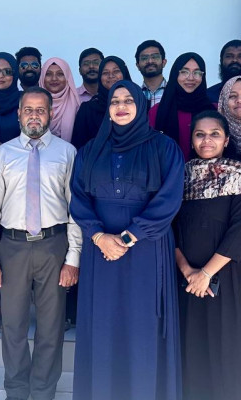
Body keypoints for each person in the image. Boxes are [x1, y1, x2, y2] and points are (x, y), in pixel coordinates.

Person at [70, 81, 184, 399]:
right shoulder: (90, 151)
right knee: (103, 324)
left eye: (128, 100)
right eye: (115, 101)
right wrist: (99, 236)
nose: (121, 106)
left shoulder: (164, 148)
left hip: (147, 249)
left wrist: (128, 236)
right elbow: (78, 199)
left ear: (140, 105)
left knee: (143, 325)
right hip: (100, 251)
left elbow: (169, 199)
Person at [0, 87, 81, 400]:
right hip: (12, 247)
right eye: (29, 109)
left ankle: (42, 392)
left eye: (41, 110)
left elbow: (75, 208)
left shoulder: (67, 152)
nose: (35, 115)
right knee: (13, 325)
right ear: (19, 113)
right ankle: (16, 390)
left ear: (50, 114)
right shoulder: (5, 153)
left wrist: (73, 258)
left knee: (51, 327)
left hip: (54, 245)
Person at [175, 110, 241, 400]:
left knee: (226, 351)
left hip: (227, 281)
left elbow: (240, 231)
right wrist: (189, 271)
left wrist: (205, 274)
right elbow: (171, 229)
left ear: (226, 139)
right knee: (193, 350)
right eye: (200, 134)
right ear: (191, 139)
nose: (207, 140)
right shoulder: (182, 175)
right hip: (187, 282)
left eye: (214, 134)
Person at [150, 52, 215, 158]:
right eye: (184, 72)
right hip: (167, 173)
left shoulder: (213, 110)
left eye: (197, 72)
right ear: (176, 74)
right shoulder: (157, 111)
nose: (190, 78)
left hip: (207, 173)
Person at [71, 56, 132, 150]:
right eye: (105, 73)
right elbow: (79, 147)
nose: (111, 76)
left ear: (124, 73)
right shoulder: (88, 109)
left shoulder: (138, 104)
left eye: (116, 71)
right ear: (100, 77)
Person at [39, 57, 80, 143]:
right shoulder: (34, 103)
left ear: (67, 78)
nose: (54, 78)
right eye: (48, 74)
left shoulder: (77, 104)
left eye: (60, 74)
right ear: (42, 78)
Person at [135, 40, 168, 110]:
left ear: (164, 62)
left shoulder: (175, 92)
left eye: (155, 57)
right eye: (144, 58)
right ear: (137, 65)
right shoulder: (134, 96)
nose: (150, 61)